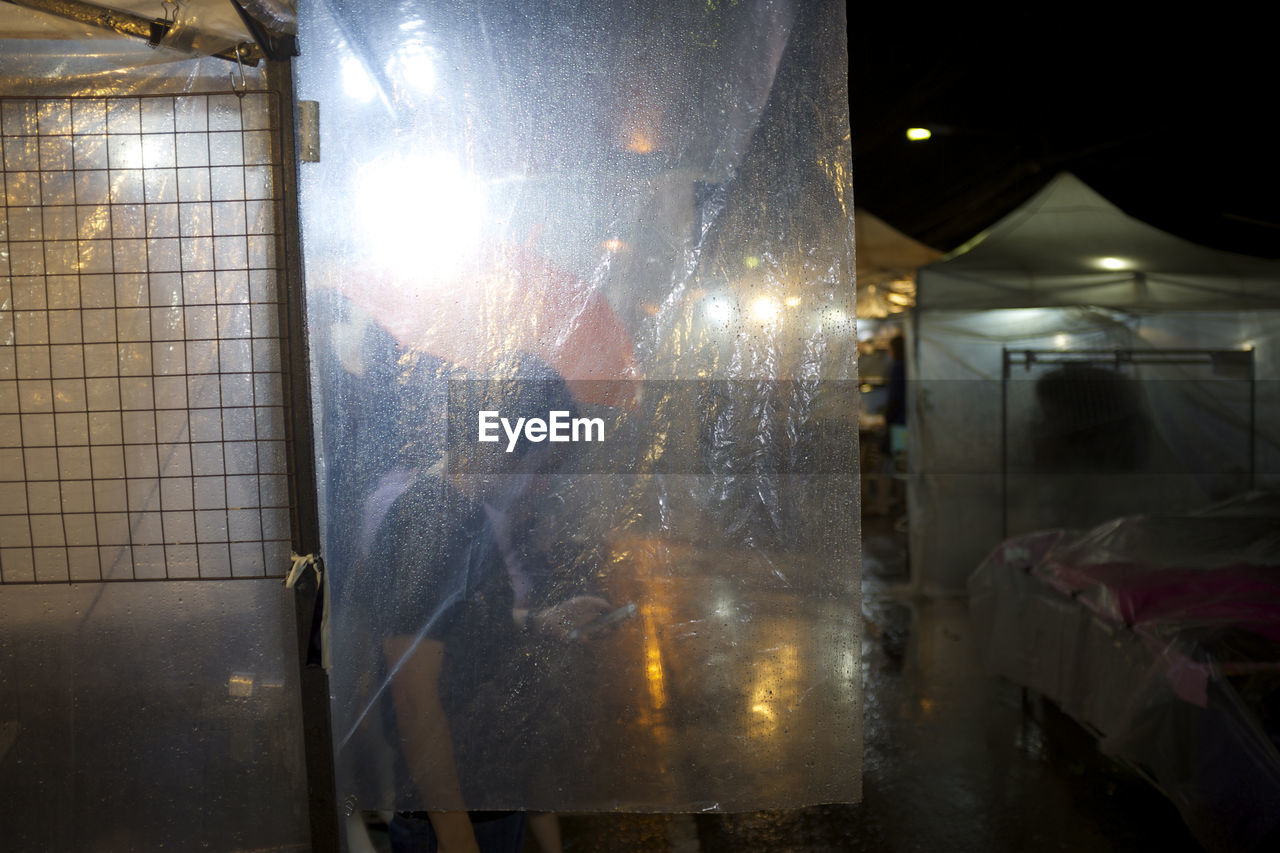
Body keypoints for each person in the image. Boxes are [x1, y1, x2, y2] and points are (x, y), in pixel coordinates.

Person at [372, 357, 611, 853]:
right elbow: (414, 697)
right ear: (502, 446)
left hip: (487, 801)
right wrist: (457, 837)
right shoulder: (431, 526)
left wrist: (540, 621)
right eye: (541, 466)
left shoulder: (469, 519)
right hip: (451, 822)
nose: (542, 485)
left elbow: (459, 632)